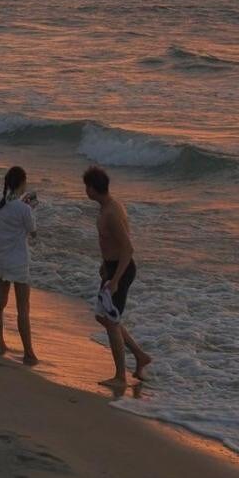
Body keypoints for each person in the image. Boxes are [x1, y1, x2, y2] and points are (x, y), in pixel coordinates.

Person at [83, 164, 151, 387]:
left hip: (121, 270)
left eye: (87, 186)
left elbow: (128, 249)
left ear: (93, 188)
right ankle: (140, 356)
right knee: (103, 317)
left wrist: (115, 280)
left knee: (111, 322)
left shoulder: (112, 211)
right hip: (111, 268)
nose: (85, 191)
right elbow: (108, 243)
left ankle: (121, 377)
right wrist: (104, 266)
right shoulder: (104, 208)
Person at [0, 165, 38, 364]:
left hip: (2, 259)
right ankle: (28, 353)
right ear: (22, 183)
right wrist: (31, 208)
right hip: (19, 260)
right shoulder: (24, 208)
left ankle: (1, 344)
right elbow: (32, 232)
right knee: (23, 308)